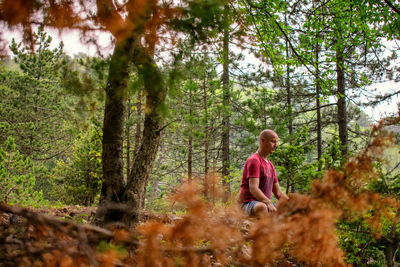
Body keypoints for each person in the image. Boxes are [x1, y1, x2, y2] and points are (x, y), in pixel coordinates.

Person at [238, 129, 289, 218]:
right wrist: (268, 203)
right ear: (262, 140)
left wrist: (293, 204)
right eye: (273, 142)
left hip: (262, 203)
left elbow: (278, 193)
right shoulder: (254, 160)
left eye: (276, 142)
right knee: (263, 207)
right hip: (246, 204)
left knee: (284, 210)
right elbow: (253, 188)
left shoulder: (270, 165)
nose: (275, 145)